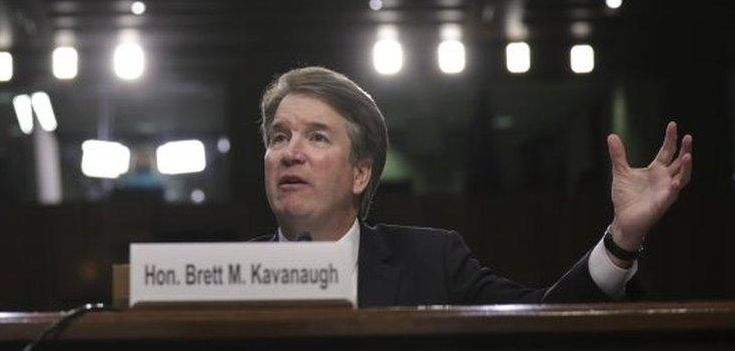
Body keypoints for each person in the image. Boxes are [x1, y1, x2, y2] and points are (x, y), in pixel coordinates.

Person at [256, 66, 693, 306]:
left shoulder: (432, 262)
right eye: (279, 137)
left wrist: (623, 239)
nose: (290, 152)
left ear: (361, 174)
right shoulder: (221, 275)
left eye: (317, 136)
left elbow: (544, 320)